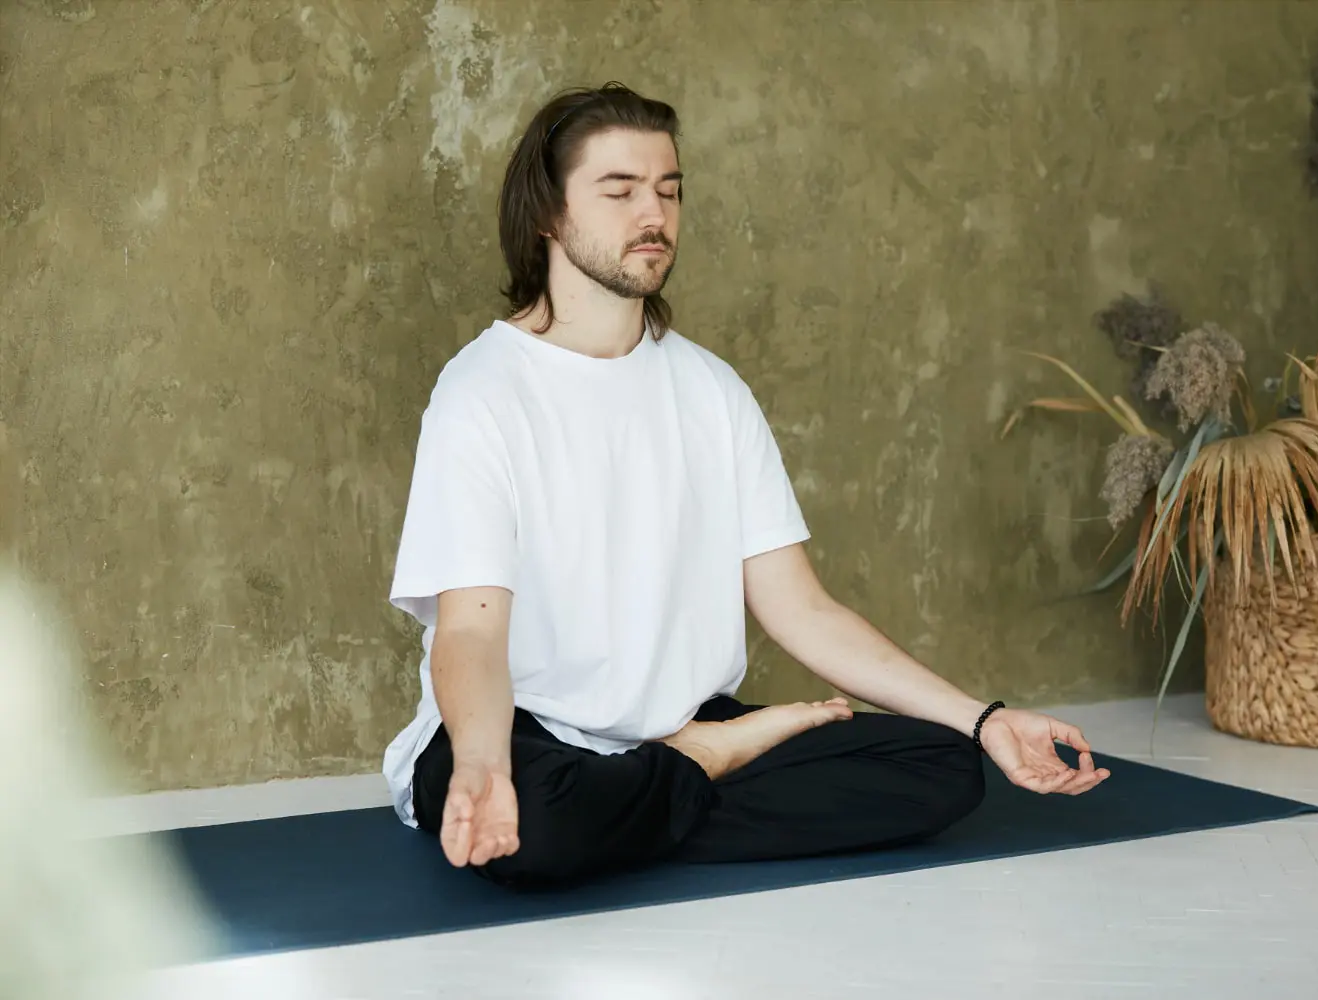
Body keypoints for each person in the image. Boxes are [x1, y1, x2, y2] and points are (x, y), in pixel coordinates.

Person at [381, 82, 1109, 889]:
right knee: (537, 818)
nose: (652, 215)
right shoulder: (483, 389)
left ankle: (660, 783)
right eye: (619, 191)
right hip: (529, 733)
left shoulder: (710, 389)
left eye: (668, 189)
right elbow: (472, 633)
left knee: (944, 764)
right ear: (548, 214)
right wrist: (483, 766)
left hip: (685, 723)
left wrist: (986, 719)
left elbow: (801, 607)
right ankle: (686, 773)